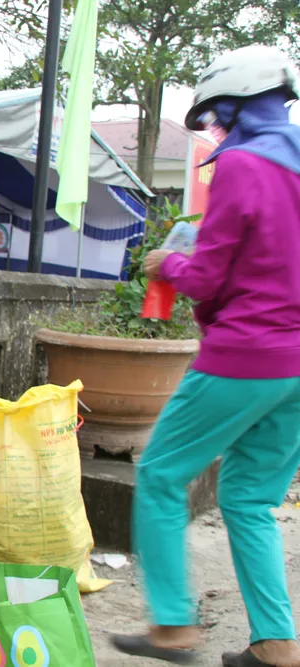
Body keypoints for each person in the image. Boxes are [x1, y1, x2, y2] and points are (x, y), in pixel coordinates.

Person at [113, 45, 300, 667]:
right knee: (249, 497)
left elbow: (212, 277)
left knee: (162, 474)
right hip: (296, 365)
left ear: (236, 108)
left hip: (246, 353)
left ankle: (172, 626)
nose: (216, 133)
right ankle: (274, 643)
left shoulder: (243, 166)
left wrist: (170, 263)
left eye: (217, 118)